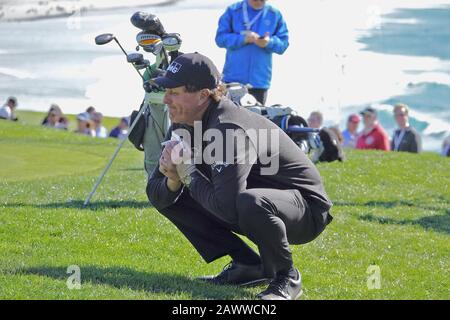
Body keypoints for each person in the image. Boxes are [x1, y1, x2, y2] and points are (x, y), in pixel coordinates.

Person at [147, 53, 333, 300]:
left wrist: (188, 172)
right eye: (165, 91)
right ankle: (249, 266)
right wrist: (173, 179)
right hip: (252, 201)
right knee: (174, 195)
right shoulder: (184, 122)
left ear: (203, 95)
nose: (166, 99)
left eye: (174, 92)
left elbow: (228, 209)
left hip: (306, 210)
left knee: (249, 202)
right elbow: (155, 193)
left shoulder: (227, 127)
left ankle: (287, 277)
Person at [215, 0, 289, 105]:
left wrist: (268, 42)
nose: (259, 2)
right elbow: (220, 39)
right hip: (232, 81)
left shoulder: (274, 14)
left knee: (256, 118)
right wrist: (243, 39)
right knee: (230, 118)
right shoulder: (233, 10)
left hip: (259, 83)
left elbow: (283, 44)